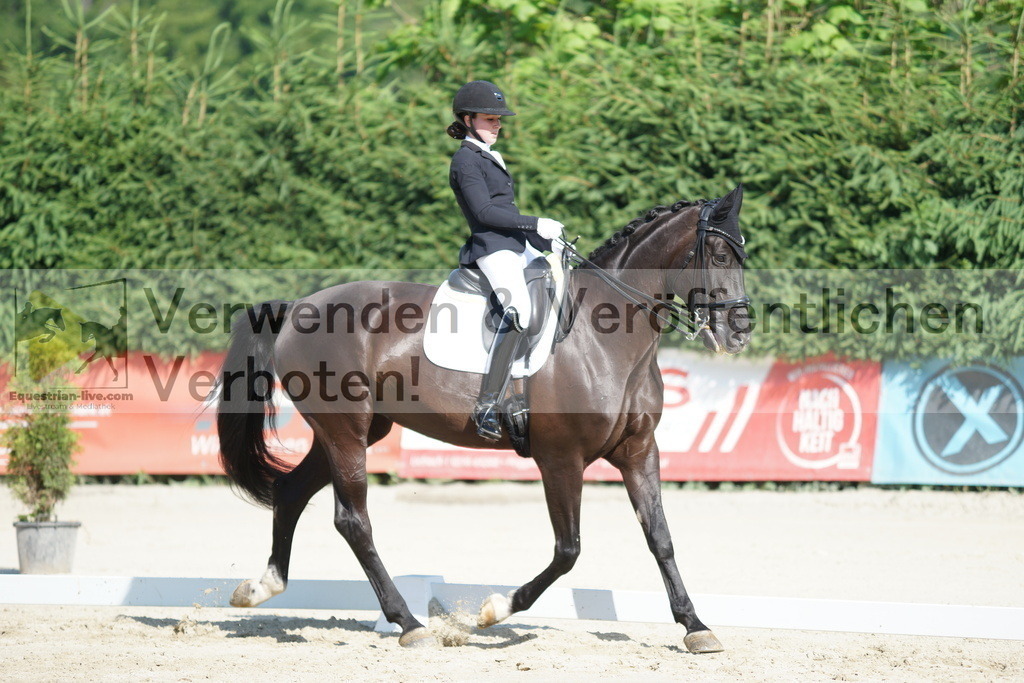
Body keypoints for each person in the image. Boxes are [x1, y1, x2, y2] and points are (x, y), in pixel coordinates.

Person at [447, 80, 563, 441]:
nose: (497, 124)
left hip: (515, 243)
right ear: (467, 119)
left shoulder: (487, 153)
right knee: (520, 313)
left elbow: (505, 209)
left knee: (560, 277)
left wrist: (541, 239)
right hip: (492, 248)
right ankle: (487, 404)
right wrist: (534, 222)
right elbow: (484, 212)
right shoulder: (466, 160)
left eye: (499, 119)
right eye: (489, 118)